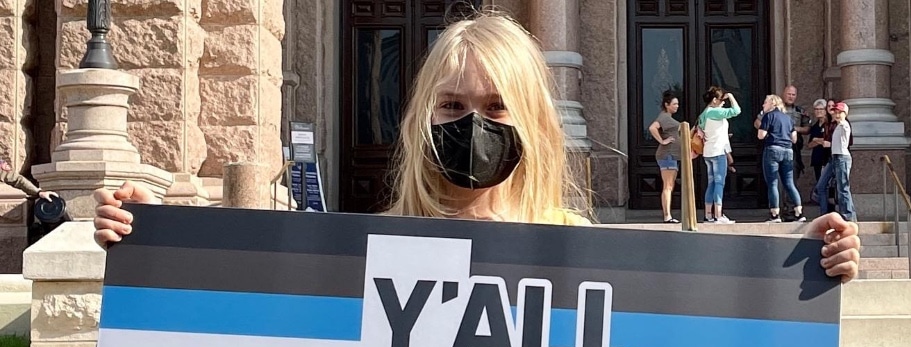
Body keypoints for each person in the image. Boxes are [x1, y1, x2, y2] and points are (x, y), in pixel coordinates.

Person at [94, 11, 861, 282]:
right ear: (421, 118)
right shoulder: (363, 249)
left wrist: (810, 264)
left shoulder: (582, 253)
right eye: (452, 105)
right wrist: (153, 238)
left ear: (531, 121)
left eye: (496, 107)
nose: (472, 124)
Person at [757, 94, 805, 223]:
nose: (763, 105)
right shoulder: (788, 118)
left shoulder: (768, 116)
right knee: (789, 183)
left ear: (773, 103)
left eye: (765, 102)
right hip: (788, 151)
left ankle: (775, 214)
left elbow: (761, 135)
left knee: (773, 183)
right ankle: (799, 213)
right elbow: (794, 139)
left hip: (773, 149)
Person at [697, 86, 740, 224]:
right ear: (715, 100)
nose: (723, 103)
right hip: (718, 151)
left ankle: (708, 214)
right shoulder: (715, 112)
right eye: (722, 100)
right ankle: (718, 215)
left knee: (711, 183)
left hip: (708, 152)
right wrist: (732, 96)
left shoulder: (704, 114)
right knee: (719, 183)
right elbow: (736, 111)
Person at [648, 91, 681, 223]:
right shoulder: (664, 117)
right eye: (674, 104)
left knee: (670, 185)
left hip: (672, 155)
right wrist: (662, 141)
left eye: (677, 104)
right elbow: (652, 128)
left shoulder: (667, 117)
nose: (677, 106)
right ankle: (667, 216)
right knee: (668, 186)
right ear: (667, 105)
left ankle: (668, 215)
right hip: (668, 155)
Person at [824, 101, 856, 222]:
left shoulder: (844, 125)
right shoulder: (838, 125)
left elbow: (844, 130)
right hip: (837, 157)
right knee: (841, 187)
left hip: (842, 157)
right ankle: (849, 214)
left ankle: (848, 215)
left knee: (843, 188)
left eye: (840, 112)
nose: (837, 115)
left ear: (845, 113)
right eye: (836, 112)